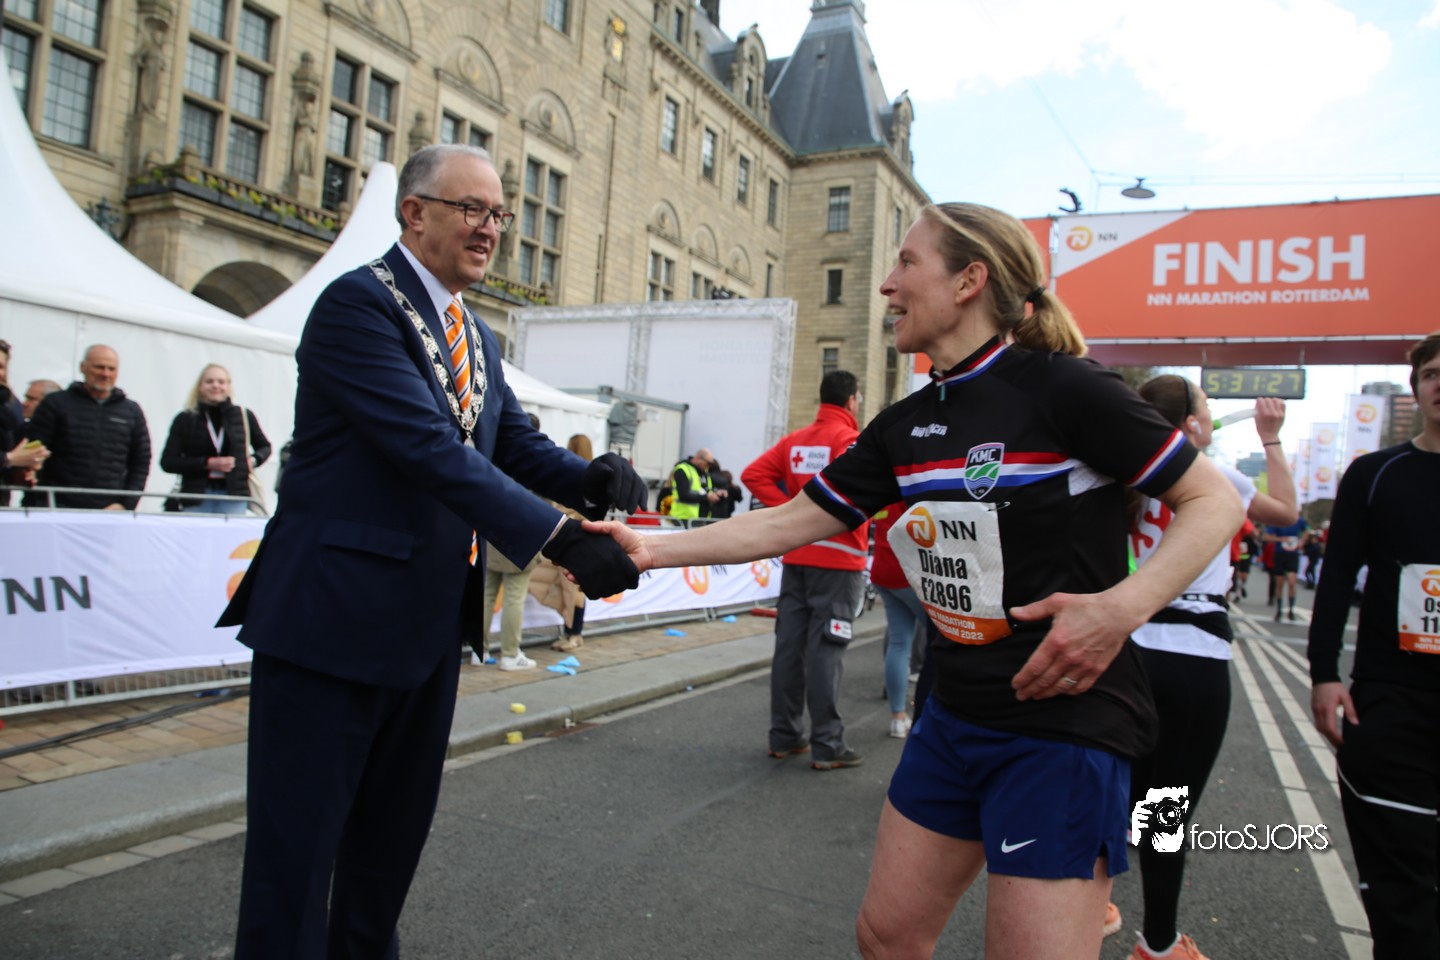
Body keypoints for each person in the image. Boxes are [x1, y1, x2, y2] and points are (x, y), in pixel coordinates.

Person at [596, 202, 1240, 959]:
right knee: (886, 937)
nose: (887, 285)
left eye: (907, 263)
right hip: (955, 715)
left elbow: (1214, 501)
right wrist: (647, 549)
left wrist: (1119, 609)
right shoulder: (906, 423)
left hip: (1061, 727)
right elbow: (786, 521)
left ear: (969, 281)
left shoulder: (1066, 389)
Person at [215, 142, 644, 959]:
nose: (491, 229)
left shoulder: (475, 333)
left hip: (425, 630)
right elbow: (427, 447)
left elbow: (509, 442)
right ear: (414, 213)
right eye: (471, 209)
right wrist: (557, 537)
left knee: (385, 857)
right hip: (329, 626)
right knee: (294, 867)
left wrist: (590, 482)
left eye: (499, 213)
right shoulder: (356, 305)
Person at [1116, 377, 1298, 960]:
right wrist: (1270, 439)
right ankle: (1158, 944)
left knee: (1116, 799)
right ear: (1192, 425)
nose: (1212, 415)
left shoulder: (1124, 475)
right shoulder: (1218, 476)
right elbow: (1287, 513)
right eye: (1206, 408)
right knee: (1165, 813)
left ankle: (1084, 913)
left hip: (1128, 650)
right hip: (1195, 657)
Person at [1309, 332, 1440, 959]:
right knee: (1399, 889)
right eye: (1433, 374)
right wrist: (1323, 672)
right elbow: (1336, 577)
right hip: (1393, 700)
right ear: (1417, 389)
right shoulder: (1375, 474)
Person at [741, 370, 870, 771]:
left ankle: (784, 736)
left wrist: (789, 514)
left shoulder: (795, 441)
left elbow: (753, 475)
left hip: (797, 556)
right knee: (826, 650)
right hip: (839, 563)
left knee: (789, 647)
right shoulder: (849, 441)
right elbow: (867, 493)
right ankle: (827, 744)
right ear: (851, 400)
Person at [24, 344, 151, 510]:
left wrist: (125, 504)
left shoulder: (131, 411)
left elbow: (141, 461)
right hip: (56, 507)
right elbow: (34, 452)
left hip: (109, 511)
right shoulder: (56, 403)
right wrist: (40, 499)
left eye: (111, 369)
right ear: (82, 367)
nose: (105, 374)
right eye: (99, 367)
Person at [159, 364, 272, 515]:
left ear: (229, 386)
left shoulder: (243, 415)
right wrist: (206, 463)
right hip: (196, 497)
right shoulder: (185, 418)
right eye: (209, 381)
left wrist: (251, 461)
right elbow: (168, 462)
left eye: (221, 382)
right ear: (200, 387)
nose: (215, 386)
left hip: (234, 497)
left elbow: (265, 447)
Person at [531, 433, 595, 653]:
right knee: (569, 589)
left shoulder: (582, 478)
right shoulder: (588, 476)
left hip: (575, 539)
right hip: (574, 538)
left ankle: (574, 634)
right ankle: (571, 632)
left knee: (574, 590)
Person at [870, 500, 925, 739]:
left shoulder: (883, 492)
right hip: (911, 573)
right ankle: (927, 716)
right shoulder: (908, 489)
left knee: (899, 644)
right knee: (942, 641)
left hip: (883, 571)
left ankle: (898, 717)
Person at [1265, 515, 1308, 620]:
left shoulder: (1298, 520)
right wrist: (1280, 539)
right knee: (1279, 584)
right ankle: (1279, 610)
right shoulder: (1277, 520)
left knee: (1292, 583)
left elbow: (1307, 531)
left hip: (1292, 555)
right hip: (1279, 554)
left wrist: (1302, 542)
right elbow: (1267, 537)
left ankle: (1291, 610)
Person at [667, 448, 723, 524]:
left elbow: (705, 490)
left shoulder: (703, 473)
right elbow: (683, 495)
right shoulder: (683, 470)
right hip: (683, 518)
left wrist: (716, 493)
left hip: (699, 519)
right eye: (707, 463)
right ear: (698, 458)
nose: (708, 466)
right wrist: (707, 497)